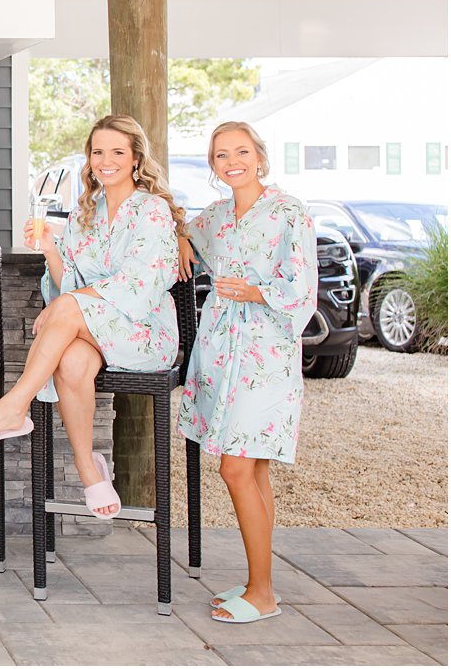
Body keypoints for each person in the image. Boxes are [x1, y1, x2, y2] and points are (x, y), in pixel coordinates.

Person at [0, 114, 185, 523]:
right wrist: (50, 249)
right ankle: (89, 471)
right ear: (89, 158)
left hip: (144, 332)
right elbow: (69, 283)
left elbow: (142, 282)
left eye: (117, 152)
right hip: (95, 329)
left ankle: (13, 406)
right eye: (98, 152)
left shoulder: (151, 210)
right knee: (72, 360)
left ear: (135, 158)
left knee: (65, 309)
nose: (106, 160)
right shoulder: (84, 214)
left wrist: (67, 305)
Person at [177, 121, 316, 624]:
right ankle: (262, 581)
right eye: (220, 155)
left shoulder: (288, 213)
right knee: (254, 468)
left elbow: (301, 288)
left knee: (234, 467)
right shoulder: (214, 216)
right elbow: (180, 229)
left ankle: (262, 594)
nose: (231, 161)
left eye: (240, 151)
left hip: (267, 351)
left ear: (259, 156)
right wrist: (181, 241)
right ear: (213, 166)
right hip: (220, 350)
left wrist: (255, 291)